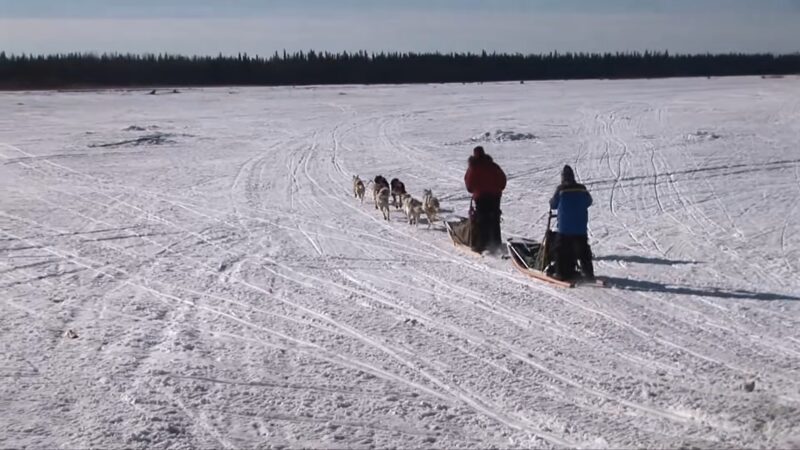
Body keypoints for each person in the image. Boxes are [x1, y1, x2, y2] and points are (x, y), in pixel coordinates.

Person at [549, 165, 594, 280]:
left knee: (560, 250)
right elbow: (589, 201)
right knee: (583, 250)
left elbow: (553, 204)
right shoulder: (582, 188)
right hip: (580, 227)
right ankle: (588, 273)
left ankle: (560, 273)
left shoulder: (561, 189)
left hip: (565, 228)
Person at [464, 146, 507, 253]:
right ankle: (496, 242)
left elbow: (469, 184)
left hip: (481, 197)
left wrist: (475, 190)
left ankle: (481, 245)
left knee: (482, 220)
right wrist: (498, 189)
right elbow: (502, 179)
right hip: (495, 196)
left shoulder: (473, 168)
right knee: (494, 218)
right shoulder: (493, 166)